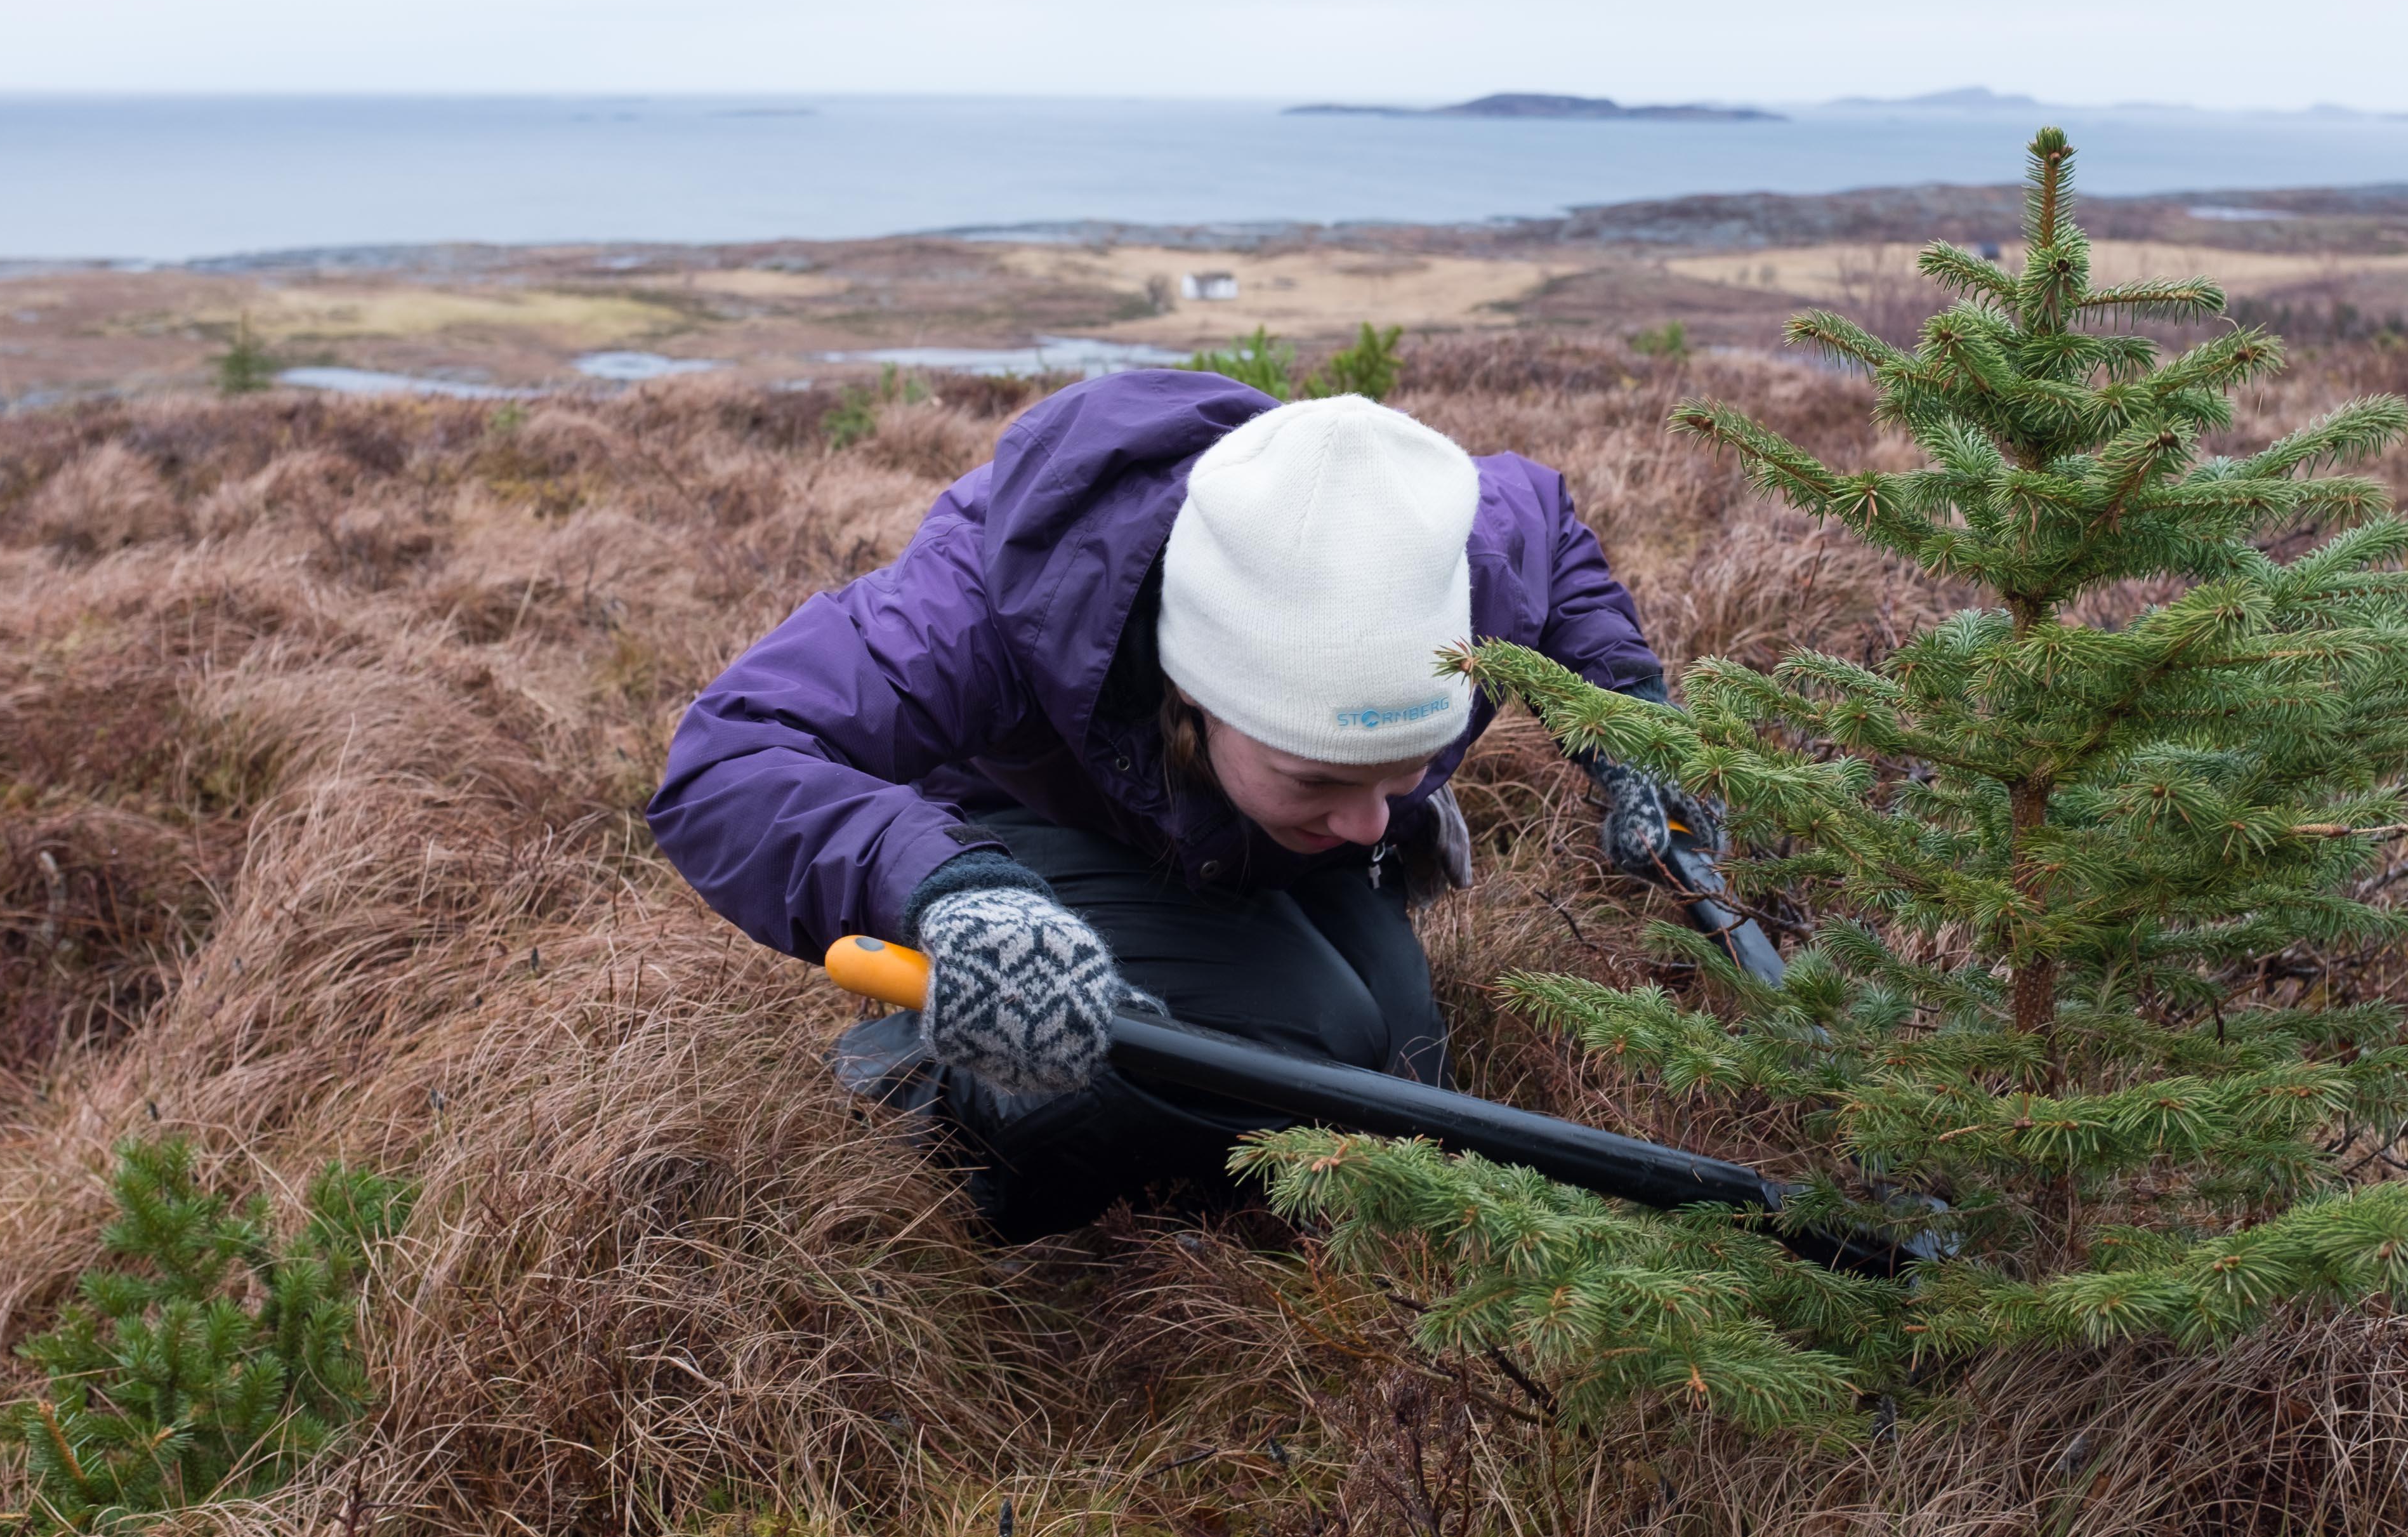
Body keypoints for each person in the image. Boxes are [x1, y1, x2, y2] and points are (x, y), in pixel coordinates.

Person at [649, 370, 1705, 1237]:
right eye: (1321, 777)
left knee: (1397, 1062)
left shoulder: (1447, 553)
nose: (1378, 825)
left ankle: (1214, 989)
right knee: (1293, 1051)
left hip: (1229, 843)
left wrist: (1634, 729)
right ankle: (928, 1078)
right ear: (1192, 698)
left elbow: (1548, 530)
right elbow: (731, 754)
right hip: (1035, 846)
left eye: (1401, 773)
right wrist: (955, 894)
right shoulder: (998, 597)